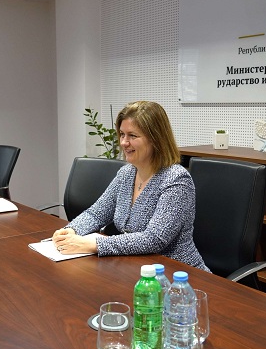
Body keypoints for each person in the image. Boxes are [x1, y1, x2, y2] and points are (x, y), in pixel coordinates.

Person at [51, 101, 209, 272]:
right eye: (122, 134)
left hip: (179, 274)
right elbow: (96, 214)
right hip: (136, 269)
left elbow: (154, 239)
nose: (124, 142)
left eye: (132, 136)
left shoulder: (176, 179)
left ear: (156, 139)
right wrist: (71, 231)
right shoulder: (126, 173)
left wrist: (95, 244)